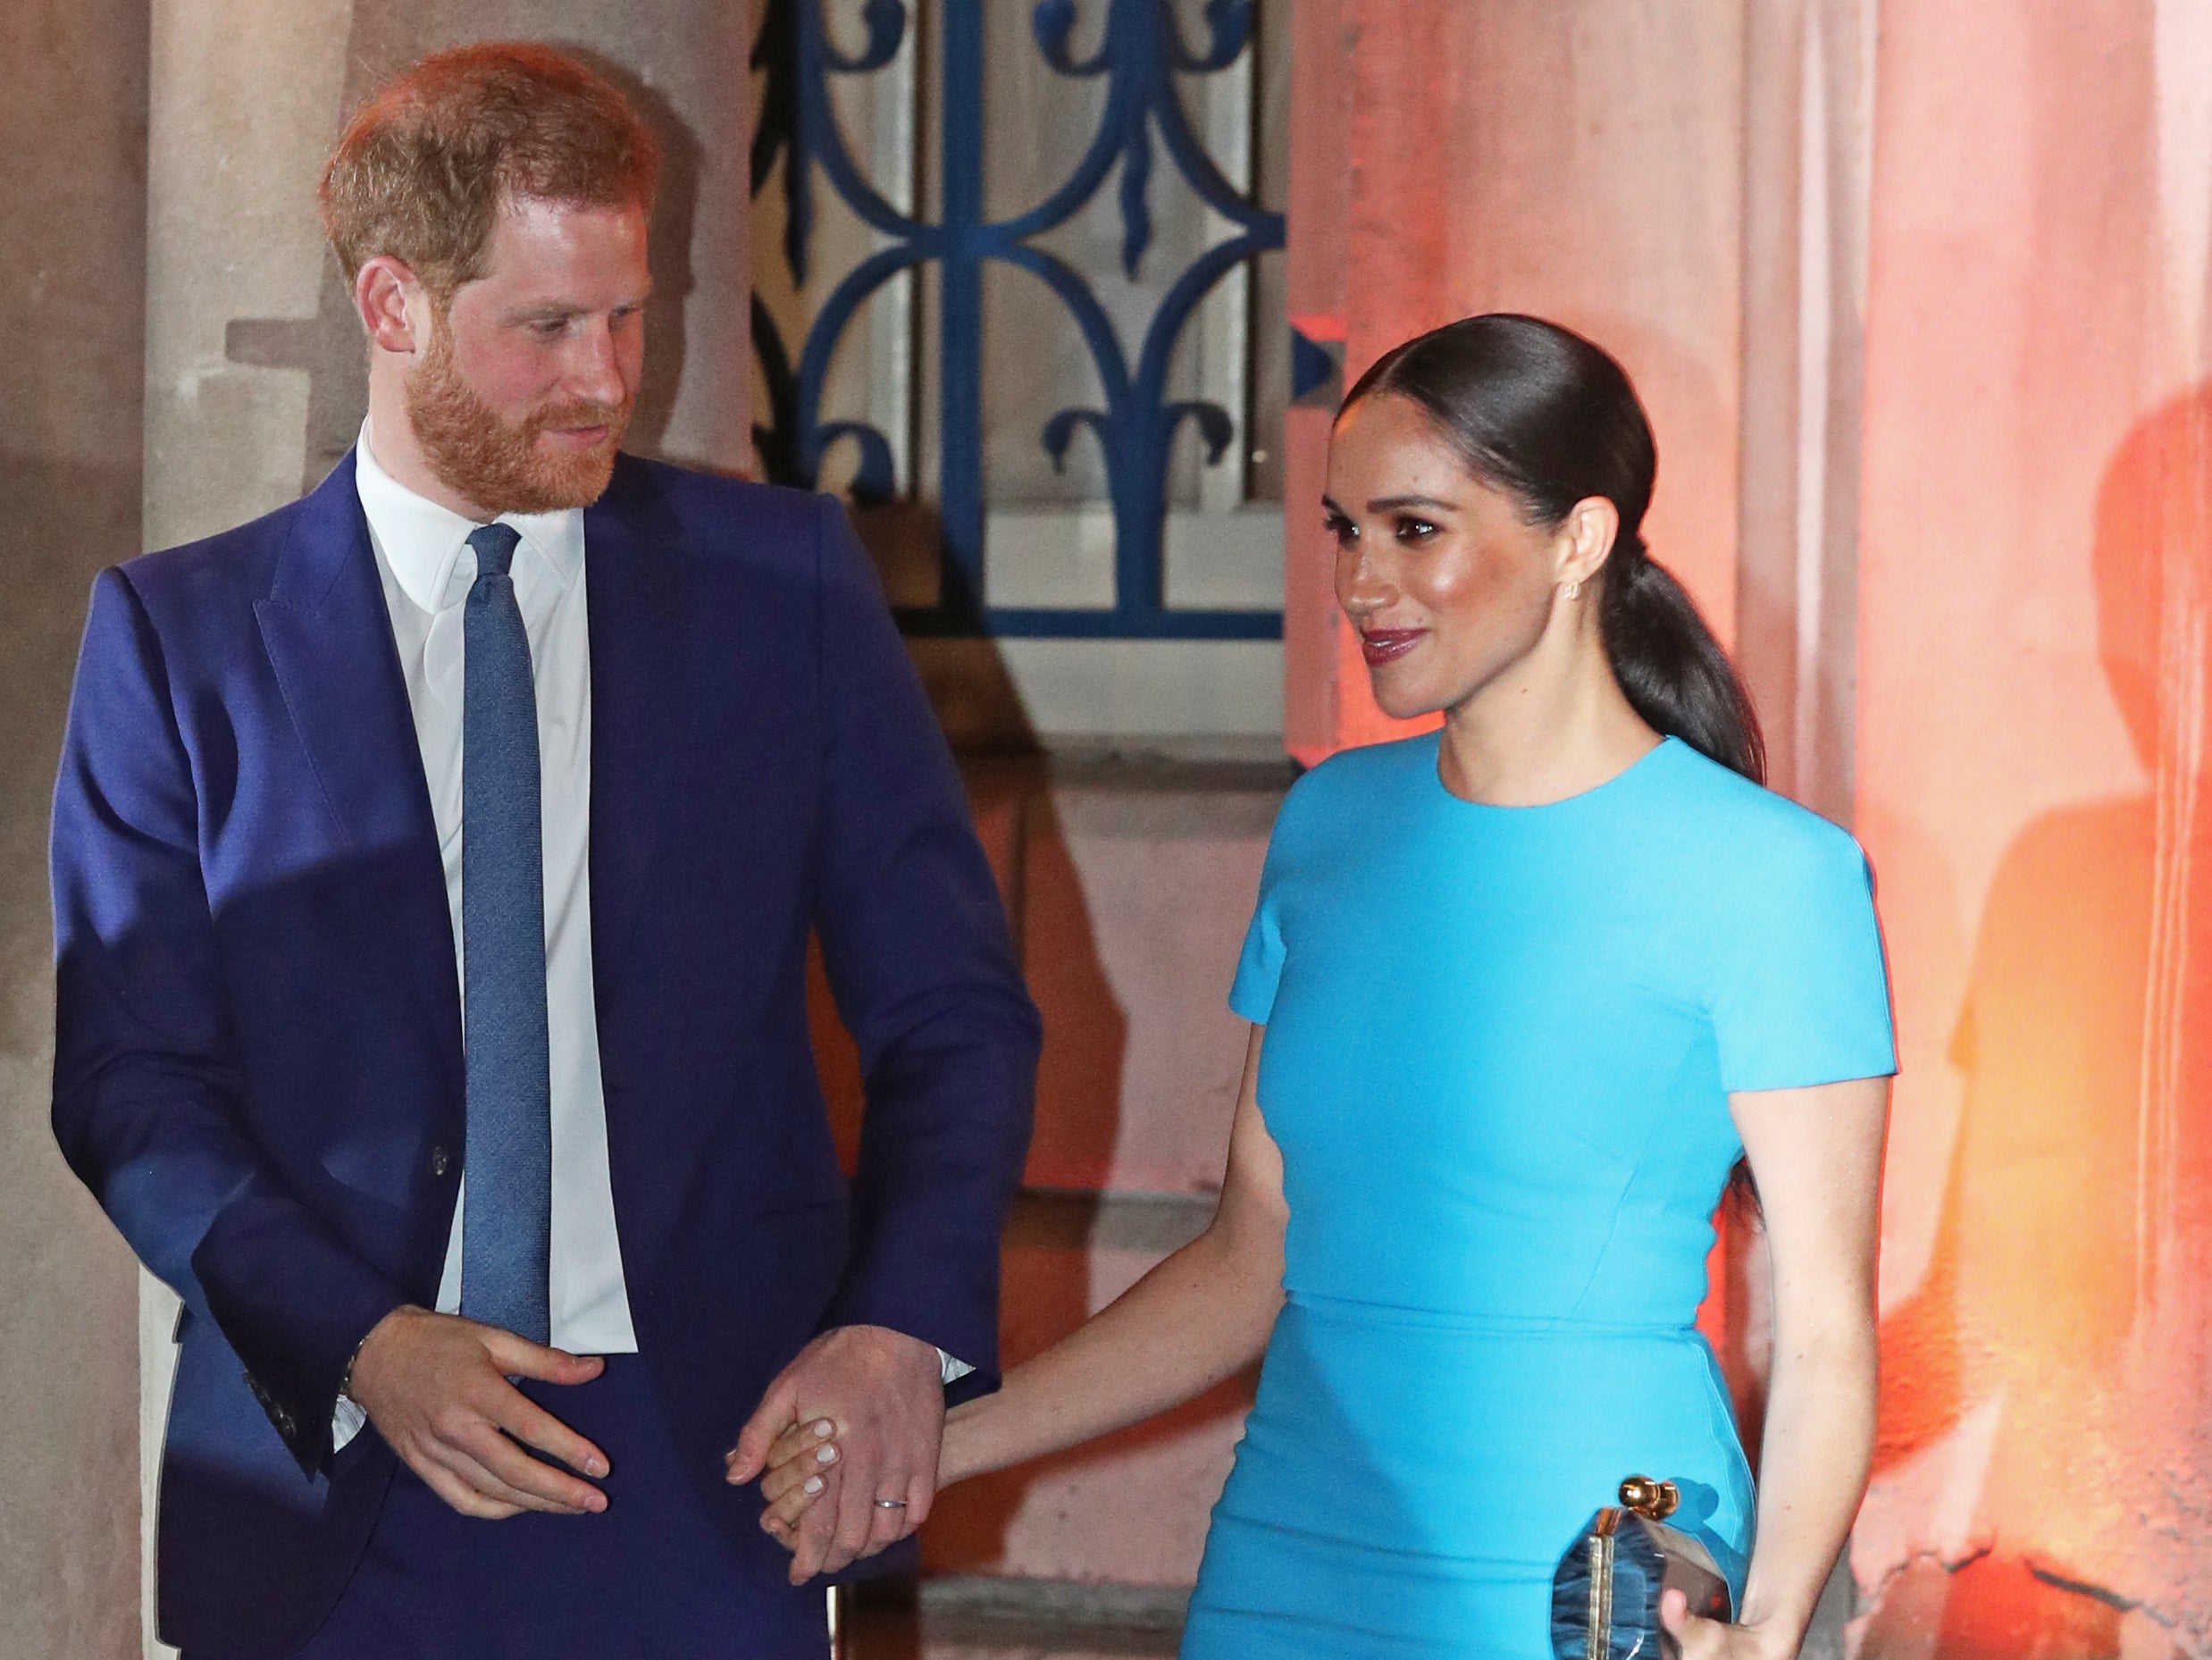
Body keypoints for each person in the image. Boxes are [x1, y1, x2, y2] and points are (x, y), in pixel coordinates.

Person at [49, 43, 1036, 1660]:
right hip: (329, 1457)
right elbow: (128, 1080)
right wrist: (360, 1338)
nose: (608, 376)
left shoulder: (784, 587)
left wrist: (897, 1324)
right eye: (547, 328)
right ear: (393, 307)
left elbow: (953, 1011)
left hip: (711, 1463)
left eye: (629, 315)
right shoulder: (179, 638)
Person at [764, 314, 1894, 1660]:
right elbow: (1251, 1262)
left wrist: (1765, 1635)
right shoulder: (1331, 827)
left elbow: (1826, 1330)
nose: (1362, 583)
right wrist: (928, 1445)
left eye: (1415, 529)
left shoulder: (1772, 876)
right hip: (1290, 1547)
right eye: (1344, 530)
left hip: (1583, 1559)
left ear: (1580, 541)